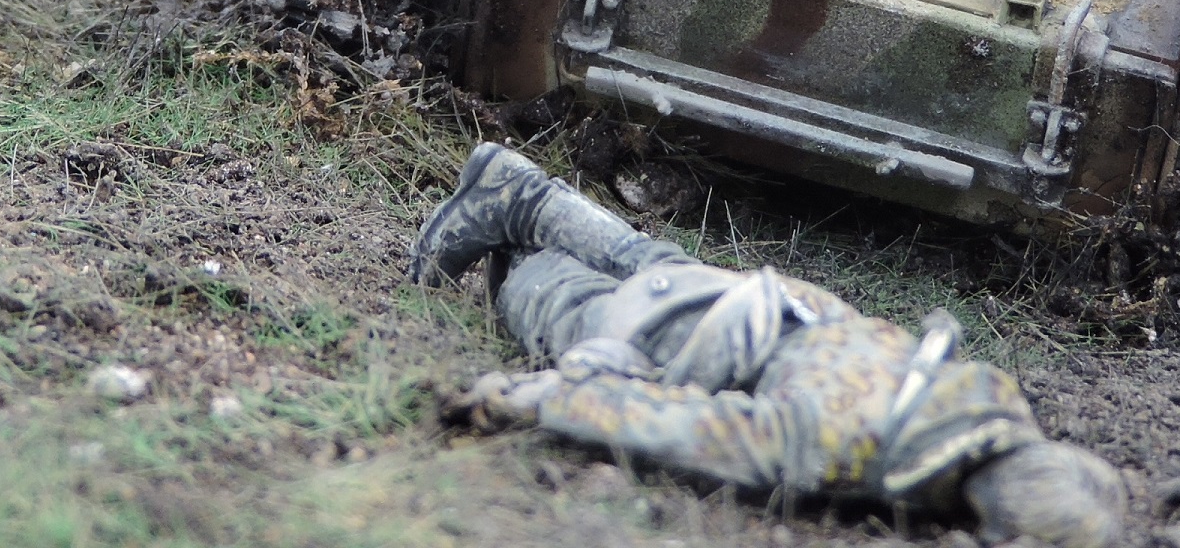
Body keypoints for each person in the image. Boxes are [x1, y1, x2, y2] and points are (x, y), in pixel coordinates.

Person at [412, 143, 1125, 548]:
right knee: (561, 307)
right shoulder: (847, 443)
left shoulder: (989, 406)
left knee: (661, 270)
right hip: (711, 342)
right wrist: (550, 399)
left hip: (793, 312)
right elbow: (694, 428)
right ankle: (517, 223)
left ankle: (526, 198)